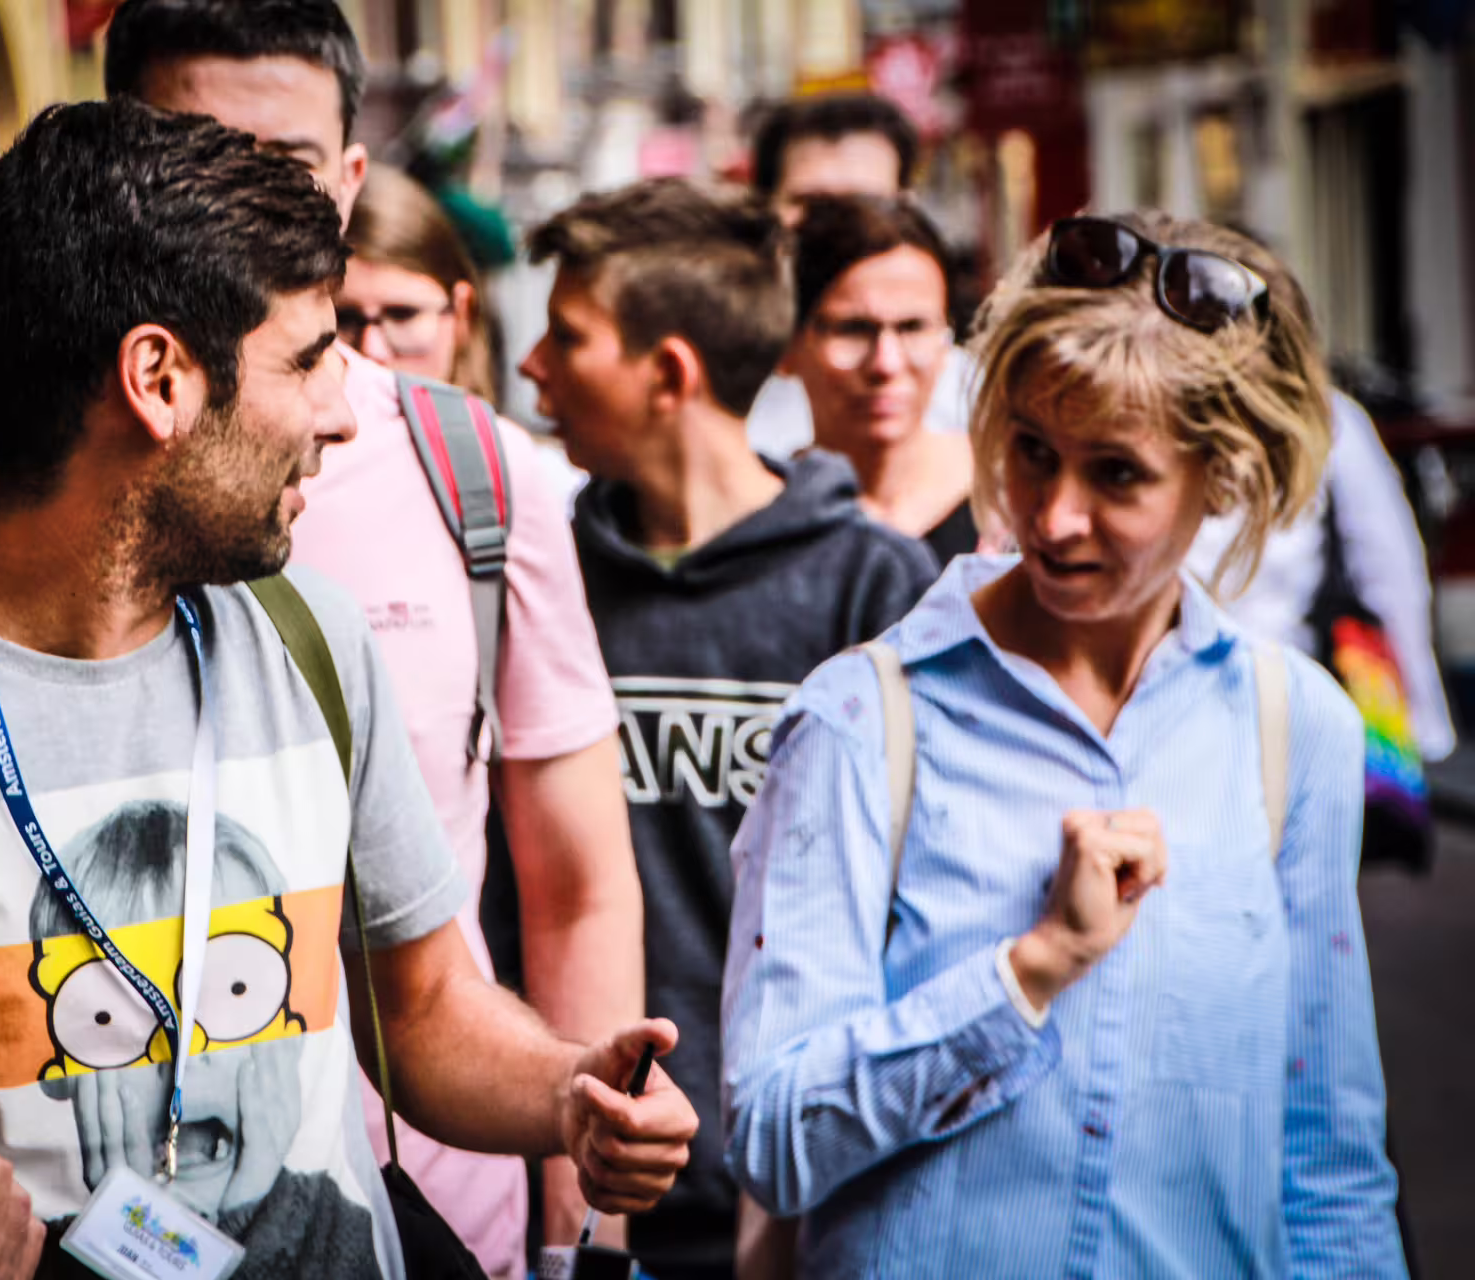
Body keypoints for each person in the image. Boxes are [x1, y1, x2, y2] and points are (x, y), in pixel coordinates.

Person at [0, 99, 696, 1280]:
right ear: (158, 377)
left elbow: (422, 1011)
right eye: (309, 358)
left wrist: (572, 1096)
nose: (344, 413)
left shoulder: (311, 636)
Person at [0, 3, 642, 1269]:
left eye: (276, 168)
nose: (221, 196)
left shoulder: (477, 476)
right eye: (187, 147)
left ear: (349, 179)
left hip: (443, 1200)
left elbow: (575, 884)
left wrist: (586, 1195)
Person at [721, 211, 1407, 1276]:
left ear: (1219, 480)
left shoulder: (1291, 726)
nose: (1053, 515)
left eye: (1117, 474)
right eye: (1032, 451)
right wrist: (1027, 973)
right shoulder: (864, 721)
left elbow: (1327, 1159)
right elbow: (772, 1137)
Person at [518, 178, 937, 1280]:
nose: (532, 367)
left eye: (567, 337)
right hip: (573, 1176)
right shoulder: (539, 569)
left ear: (669, 374)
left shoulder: (875, 583)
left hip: (795, 1193)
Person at [1182, 226, 1455, 764]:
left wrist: (1420, 719)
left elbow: (1389, 574)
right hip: (1270, 709)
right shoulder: (1331, 422)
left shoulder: (1330, 423)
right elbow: (1392, 573)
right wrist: (1424, 726)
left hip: (1275, 711)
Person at [743, 93, 975, 460]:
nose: (838, 228)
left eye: (867, 203)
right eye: (814, 205)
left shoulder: (972, 400)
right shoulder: (721, 391)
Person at [785, 195, 978, 560]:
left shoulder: (1013, 500)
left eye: (912, 328)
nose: (885, 364)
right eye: (853, 330)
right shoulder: (762, 522)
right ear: (788, 348)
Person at [340, 162, 497, 400]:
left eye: (403, 315)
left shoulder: (501, 439)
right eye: (342, 319)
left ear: (462, 313)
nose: (371, 350)